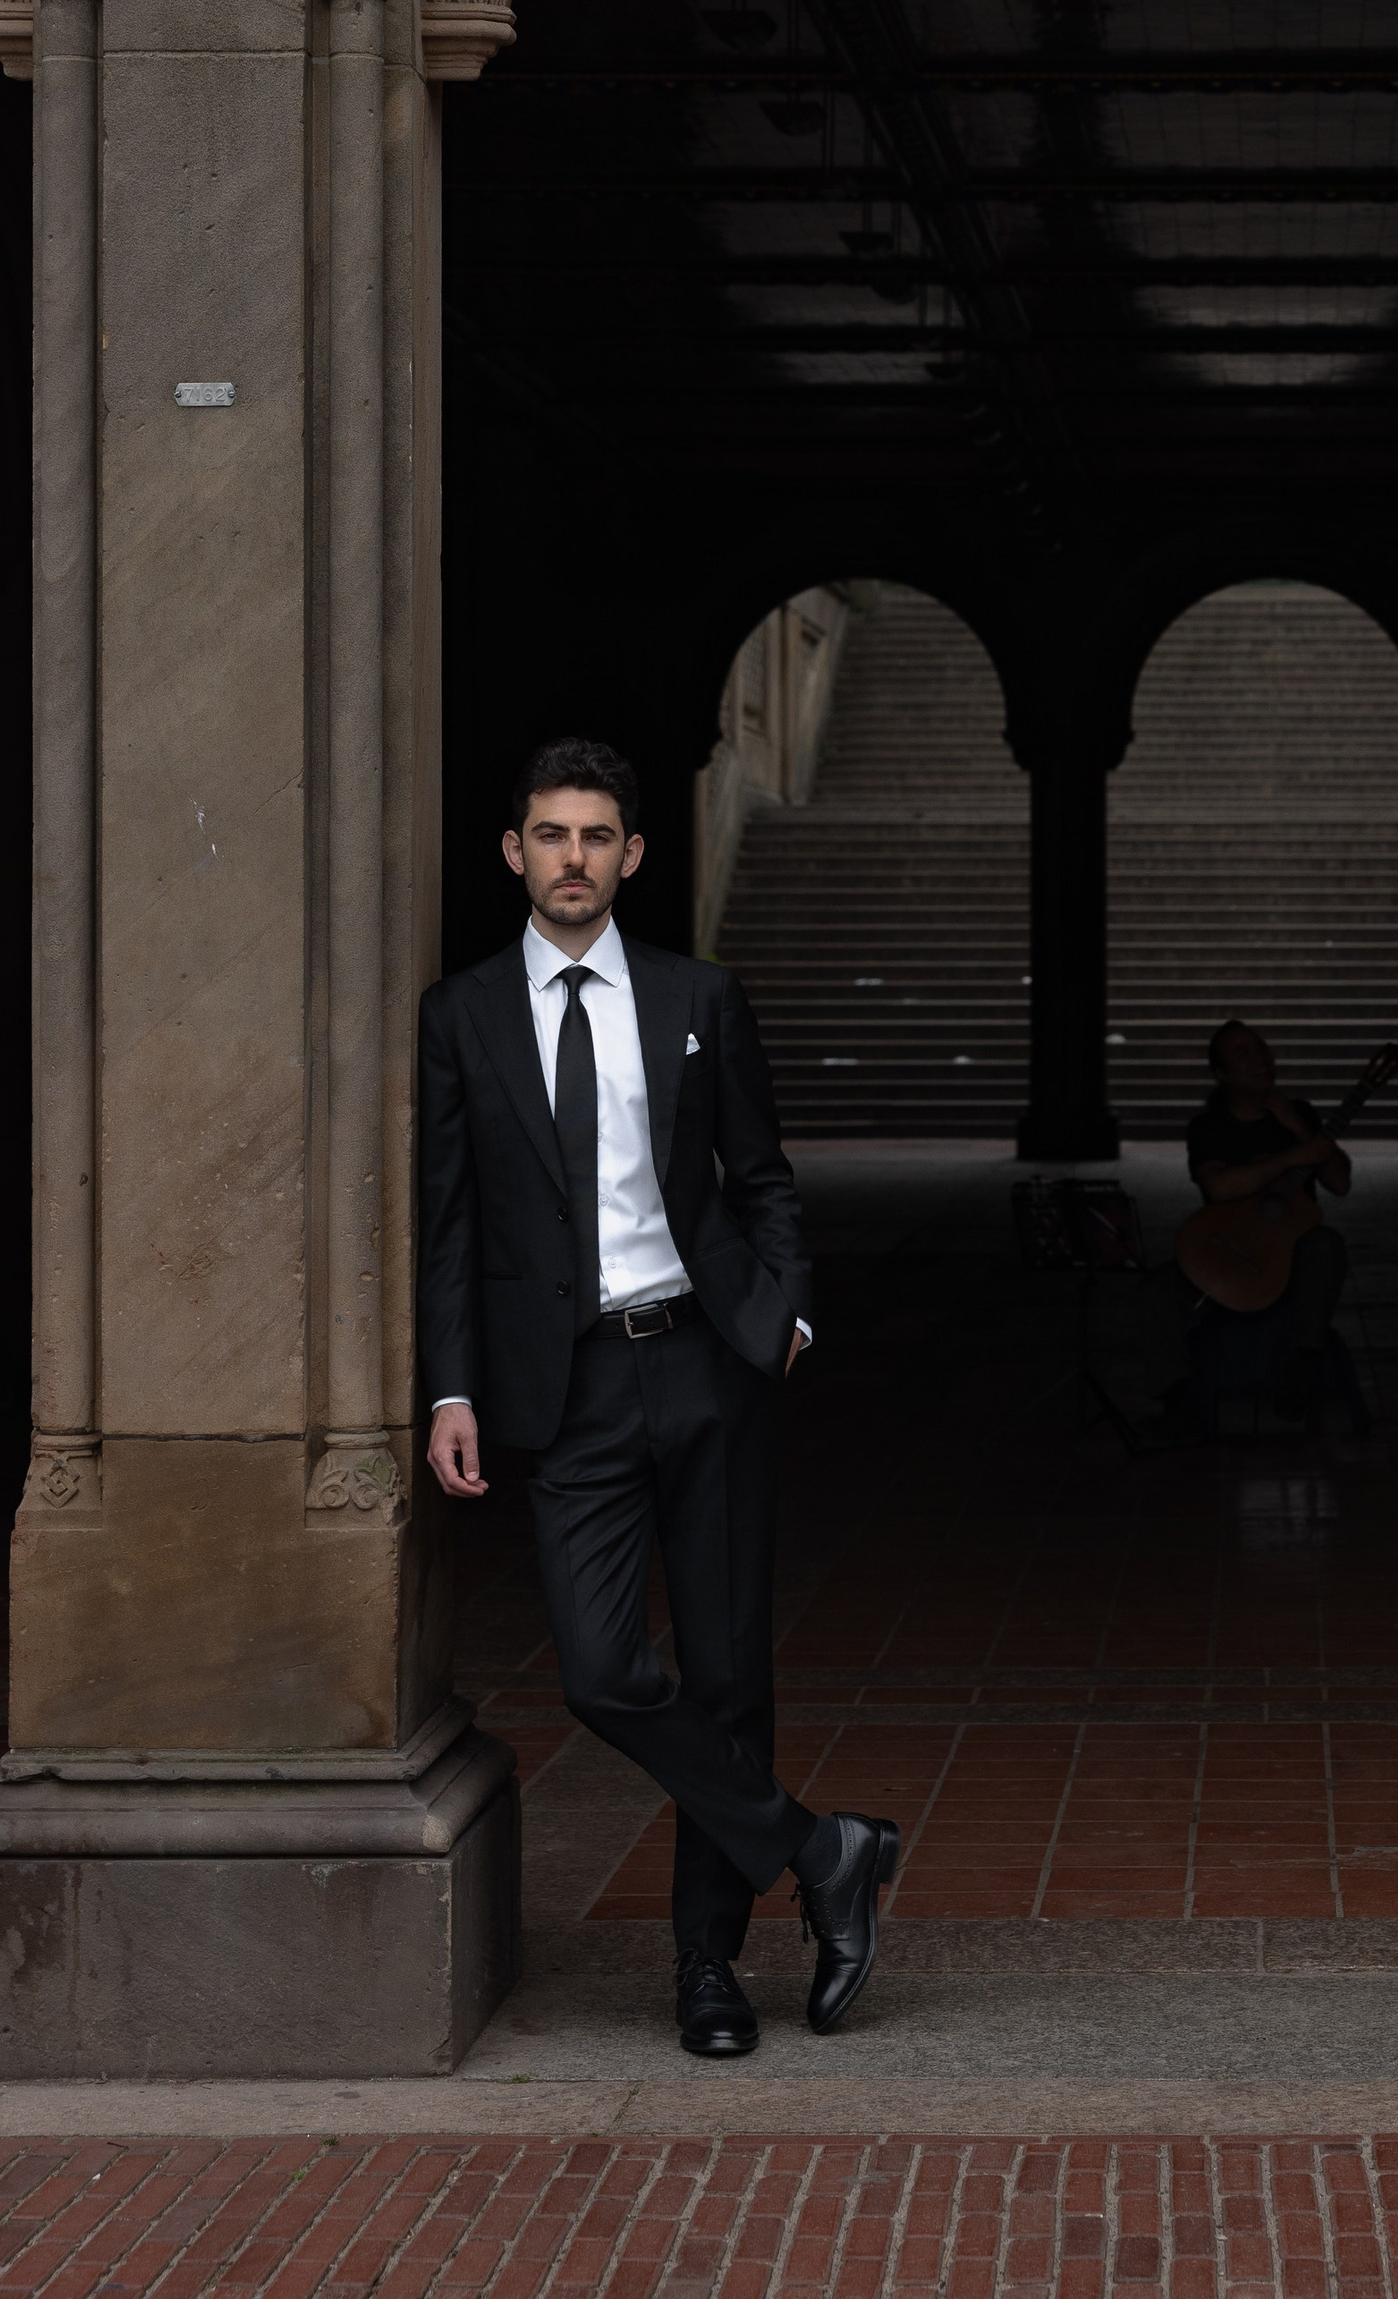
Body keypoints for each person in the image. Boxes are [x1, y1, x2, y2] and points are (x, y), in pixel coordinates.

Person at [419, 736, 899, 2062]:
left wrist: (784, 1312)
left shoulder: (699, 995)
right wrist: (451, 1386)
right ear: (514, 852)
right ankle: (824, 1849)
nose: (574, 858)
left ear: (632, 855)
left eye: (597, 837)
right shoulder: (459, 1017)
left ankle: (706, 1968)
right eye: (550, 835)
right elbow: (448, 1225)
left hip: (708, 1365)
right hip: (565, 1388)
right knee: (600, 1670)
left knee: (730, 1672)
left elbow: (765, 1175)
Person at [1175, 1019, 1359, 1415]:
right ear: (1222, 1075)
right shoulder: (1209, 1127)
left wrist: (1299, 1130)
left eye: (1262, 1049)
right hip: (1227, 1251)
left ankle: (1302, 1365)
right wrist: (1290, 1158)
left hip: (1290, 1254)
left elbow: (1340, 1183)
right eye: (1244, 1054)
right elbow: (1219, 1188)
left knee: (1326, 1245)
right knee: (1157, 1293)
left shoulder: (1301, 1115)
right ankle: (1178, 1402)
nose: (1261, 1059)